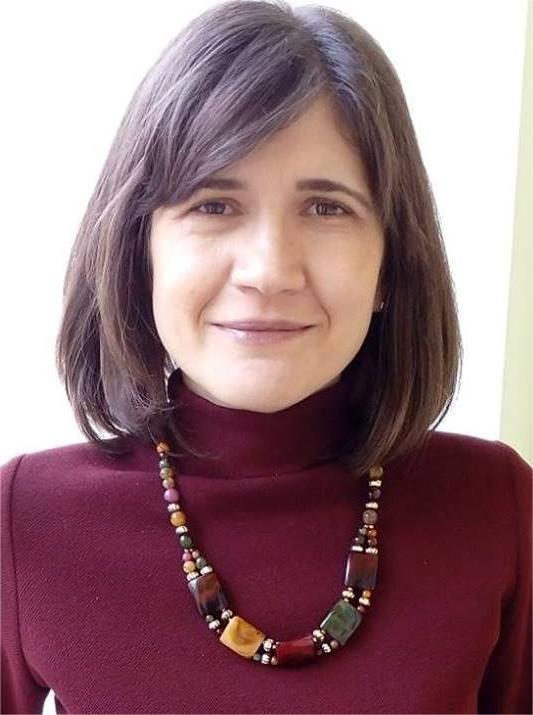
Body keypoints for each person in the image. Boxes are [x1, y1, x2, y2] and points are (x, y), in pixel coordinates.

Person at [1, 0, 531, 712]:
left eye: (326, 208)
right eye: (214, 205)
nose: (269, 270)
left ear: (390, 264)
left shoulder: (497, 506)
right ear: (138, 251)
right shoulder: (26, 520)